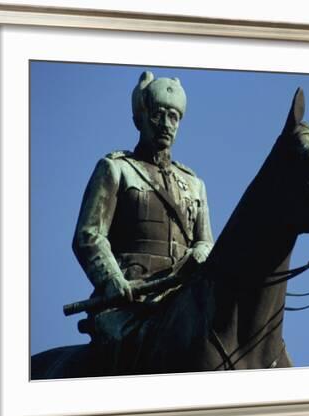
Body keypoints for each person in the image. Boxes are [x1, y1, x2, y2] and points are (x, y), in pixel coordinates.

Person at [72, 71, 214, 374]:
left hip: (181, 298)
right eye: (158, 115)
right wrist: (113, 282)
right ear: (141, 117)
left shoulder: (194, 184)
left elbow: (205, 240)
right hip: (129, 302)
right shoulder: (116, 169)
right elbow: (89, 236)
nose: (166, 124)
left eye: (173, 117)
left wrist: (202, 252)